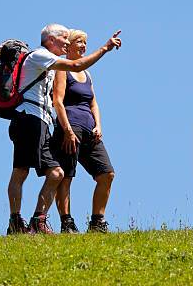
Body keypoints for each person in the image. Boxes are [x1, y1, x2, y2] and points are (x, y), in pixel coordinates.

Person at [6, 24, 122, 235]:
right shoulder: (41, 55)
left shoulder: (51, 63)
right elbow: (75, 68)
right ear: (51, 40)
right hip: (28, 118)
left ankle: (36, 221)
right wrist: (104, 48)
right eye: (65, 38)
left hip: (41, 121)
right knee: (26, 171)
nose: (67, 43)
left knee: (55, 172)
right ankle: (19, 222)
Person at [51, 29, 116, 233]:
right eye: (79, 42)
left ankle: (97, 221)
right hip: (70, 127)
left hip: (89, 129)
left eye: (85, 43)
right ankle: (66, 222)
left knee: (106, 174)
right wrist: (68, 131)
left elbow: (94, 103)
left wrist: (99, 125)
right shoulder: (62, 70)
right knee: (66, 175)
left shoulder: (86, 74)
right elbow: (57, 102)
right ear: (68, 46)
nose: (83, 46)